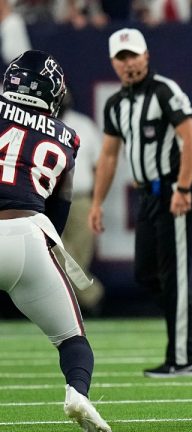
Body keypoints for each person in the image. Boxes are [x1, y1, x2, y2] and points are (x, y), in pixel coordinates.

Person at [88, 28, 192, 378]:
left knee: (174, 275)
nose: (129, 63)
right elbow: (107, 156)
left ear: (146, 56)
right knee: (146, 275)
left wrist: (182, 189)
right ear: (113, 64)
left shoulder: (165, 91)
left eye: (133, 55)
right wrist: (96, 202)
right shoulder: (116, 104)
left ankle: (182, 359)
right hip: (147, 195)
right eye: (121, 58)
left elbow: (191, 140)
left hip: (172, 189)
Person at [0, 50, 111, 431]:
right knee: (73, 342)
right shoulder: (68, 136)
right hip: (29, 234)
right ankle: (77, 394)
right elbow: (58, 208)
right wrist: (49, 250)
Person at [60, 92, 105, 315]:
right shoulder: (34, 123)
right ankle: (92, 296)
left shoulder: (83, 125)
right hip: (45, 201)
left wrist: (97, 202)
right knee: (56, 256)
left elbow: (100, 165)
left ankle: (69, 310)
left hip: (80, 200)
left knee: (78, 259)